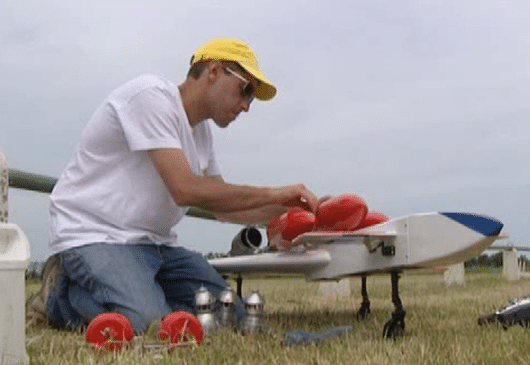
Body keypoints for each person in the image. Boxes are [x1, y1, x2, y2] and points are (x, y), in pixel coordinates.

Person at [29, 38, 320, 333]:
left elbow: (223, 208)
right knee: (152, 324)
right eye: (246, 90)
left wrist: (293, 211)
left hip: (155, 245)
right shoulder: (151, 97)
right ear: (214, 71)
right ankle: (58, 297)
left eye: (253, 98)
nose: (246, 105)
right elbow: (186, 190)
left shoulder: (202, 134)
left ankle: (143, 297)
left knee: (231, 318)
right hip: (94, 235)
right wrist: (276, 192)